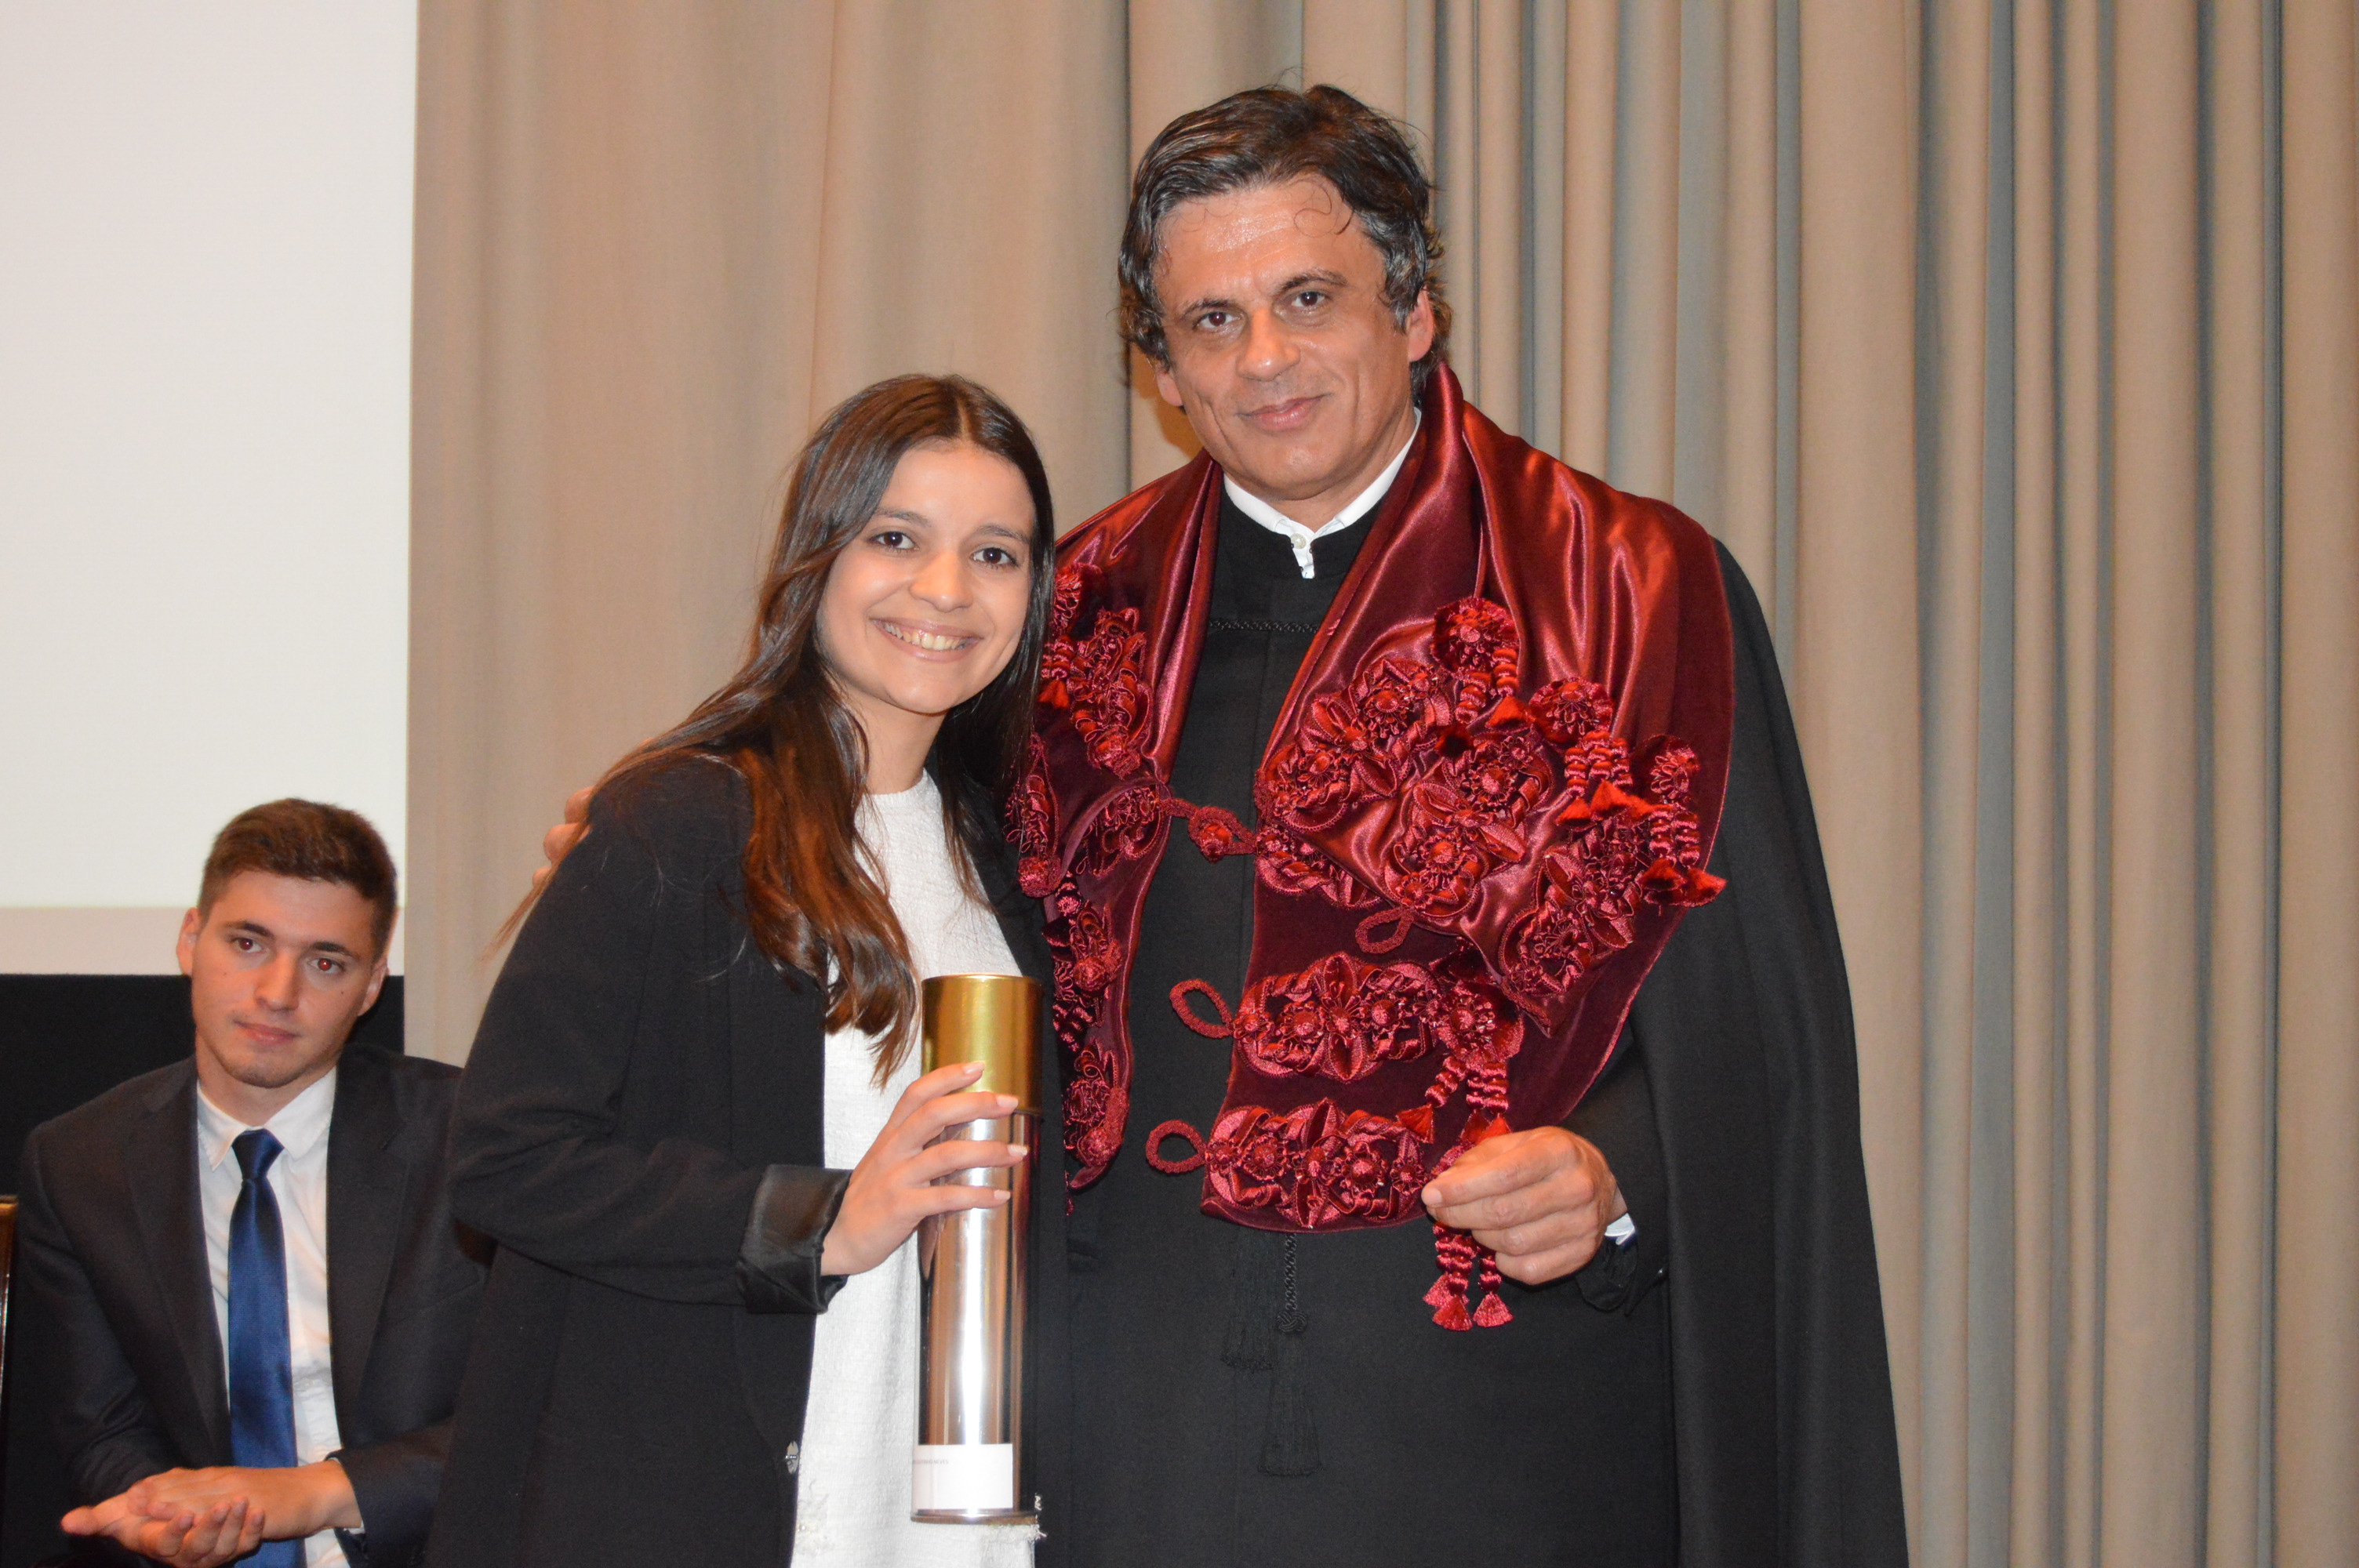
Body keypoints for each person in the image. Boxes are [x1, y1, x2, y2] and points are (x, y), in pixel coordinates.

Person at [540, 89, 1907, 1566]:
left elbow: (1750, 1029)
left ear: (1416, 311)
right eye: (1210, 321)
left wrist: (1617, 1170)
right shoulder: (1065, 610)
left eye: (1307, 298)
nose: (1262, 360)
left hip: (1506, 1427)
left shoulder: (1631, 588)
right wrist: (695, 858)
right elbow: (910, 867)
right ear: (1164, 371)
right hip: (1129, 1426)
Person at [423, 375, 1063, 1568]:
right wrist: (819, 1223)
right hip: (708, 1505)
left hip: (945, 1523)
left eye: (995, 553)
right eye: (895, 539)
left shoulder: (1005, 858)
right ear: (817, 557)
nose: (945, 589)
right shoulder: (680, 819)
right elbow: (506, 1159)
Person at [15, 800, 485, 1568]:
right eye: (247, 943)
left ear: (372, 983)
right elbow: (100, 1428)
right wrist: (162, 1521)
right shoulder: (79, 1162)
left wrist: (321, 1491)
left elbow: (540, 1410)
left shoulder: (471, 1140)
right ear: (189, 939)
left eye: (325, 962)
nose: (277, 992)